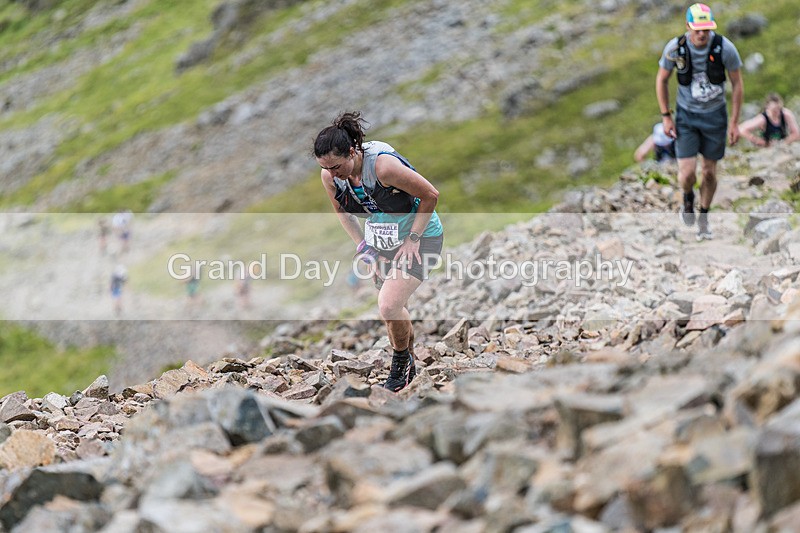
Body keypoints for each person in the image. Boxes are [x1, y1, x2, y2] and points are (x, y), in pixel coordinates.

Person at [314, 111, 444, 392]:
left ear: (352, 151)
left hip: (422, 237)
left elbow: (430, 195)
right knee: (395, 310)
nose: (332, 174)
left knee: (388, 305)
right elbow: (344, 213)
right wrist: (364, 248)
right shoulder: (330, 176)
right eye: (326, 168)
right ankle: (409, 363)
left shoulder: (383, 167)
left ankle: (400, 365)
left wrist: (413, 238)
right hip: (381, 242)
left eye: (336, 166)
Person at [656, 3, 743, 241]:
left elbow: (737, 84)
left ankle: (703, 216)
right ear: (688, 27)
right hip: (686, 117)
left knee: (709, 172)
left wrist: (734, 123)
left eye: (706, 29)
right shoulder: (675, 48)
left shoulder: (725, 48)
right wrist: (666, 116)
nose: (702, 34)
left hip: (715, 116)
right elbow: (661, 79)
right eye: (697, 29)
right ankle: (687, 197)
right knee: (686, 174)